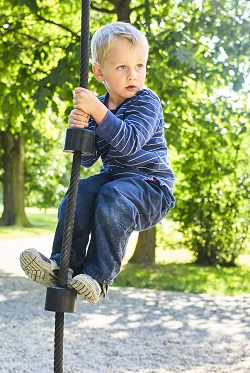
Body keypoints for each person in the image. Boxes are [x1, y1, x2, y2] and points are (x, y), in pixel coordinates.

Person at [20, 21, 175, 305]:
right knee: (78, 193)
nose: (133, 75)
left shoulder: (147, 101)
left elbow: (129, 142)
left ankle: (99, 278)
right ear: (99, 72)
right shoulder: (99, 107)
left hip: (151, 187)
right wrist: (80, 129)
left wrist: (98, 112)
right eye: (122, 67)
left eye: (139, 66)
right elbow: (89, 160)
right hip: (115, 180)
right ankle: (63, 266)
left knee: (111, 195)